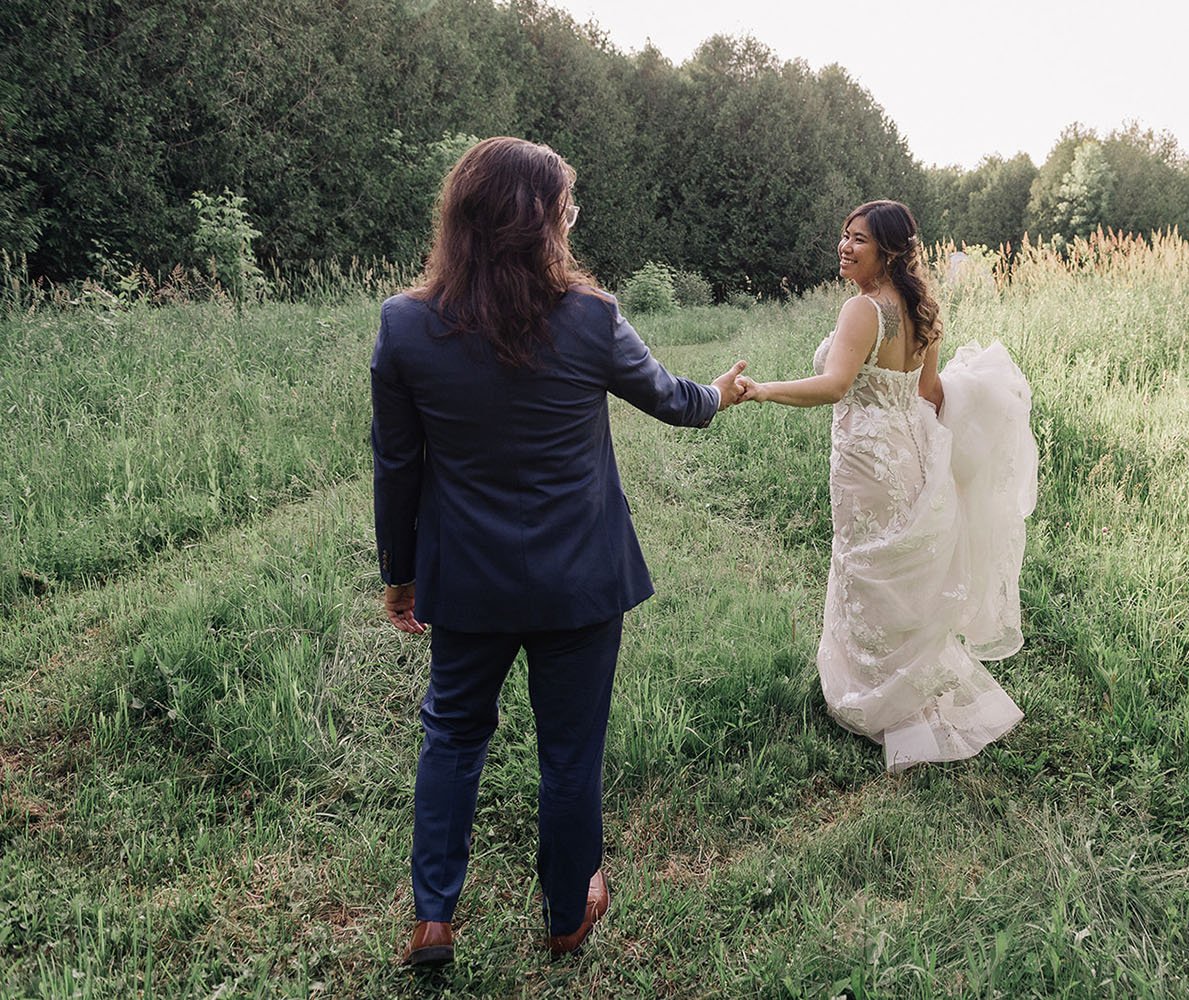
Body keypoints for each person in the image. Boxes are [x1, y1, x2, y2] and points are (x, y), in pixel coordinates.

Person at [371, 136, 748, 966]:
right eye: (567, 209)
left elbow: (397, 467)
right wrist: (721, 391)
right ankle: (568, 912)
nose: (572, 221)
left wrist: (400, 577)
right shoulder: (591, 318)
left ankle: (433, 916)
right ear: (541, 222)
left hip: (465, 581)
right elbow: (675, 404)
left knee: (452, 735)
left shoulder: (404, 327)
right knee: (569, 750)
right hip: (580, 580)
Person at [735, 200, 1037, 773]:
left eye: (860, 240)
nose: (846, 247)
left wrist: (764, 390)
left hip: (866, 460)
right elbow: (929, 393)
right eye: (845, 236)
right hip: (911, 454)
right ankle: (911, 691)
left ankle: (874, 700)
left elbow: (834, 385)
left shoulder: (864, 309)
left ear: (890, 251)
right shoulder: (922, 310)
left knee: (865, 565)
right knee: (902, 570)